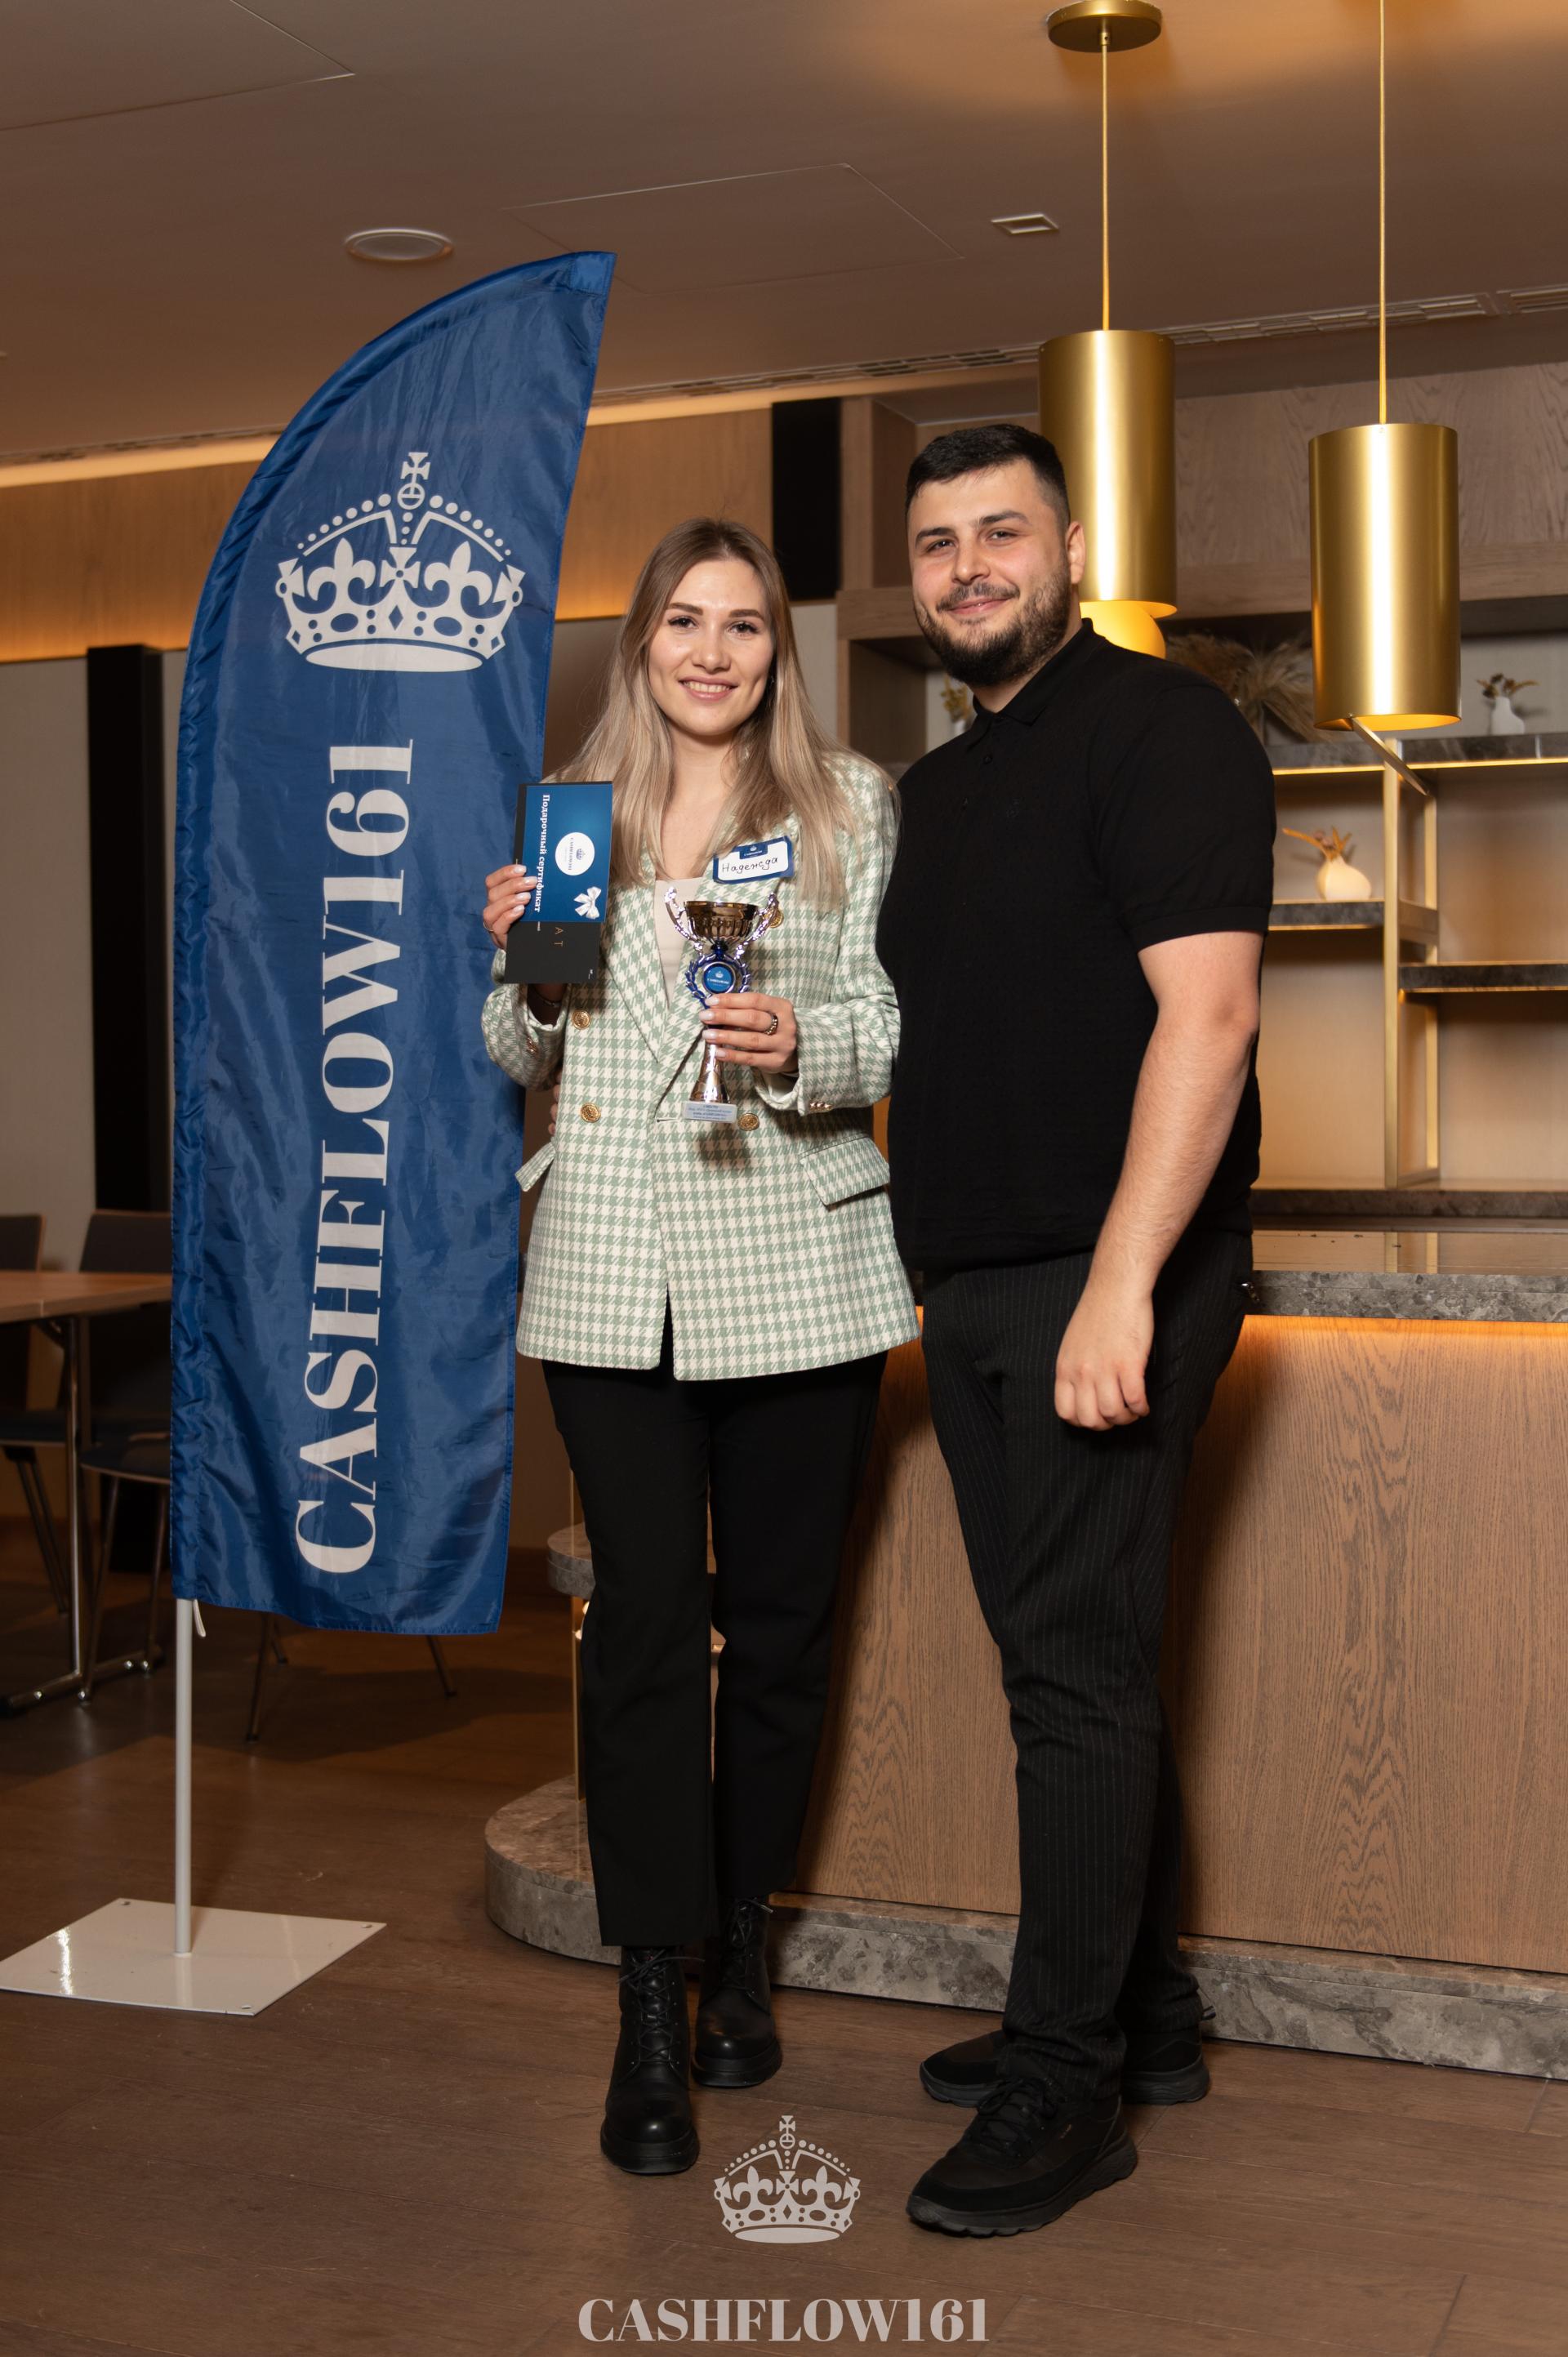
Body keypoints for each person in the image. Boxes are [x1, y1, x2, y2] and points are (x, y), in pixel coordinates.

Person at [479, 517, 915, 2180]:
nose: (713, 651)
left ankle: (743, 1944)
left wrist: (805, 1042)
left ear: (775, 649)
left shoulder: (846, 803)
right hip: (613, 1273)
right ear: (643, 643)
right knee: (645, 1634)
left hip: (798, 1258)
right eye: (685, 621)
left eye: (743, 625)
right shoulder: (571, 817)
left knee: (786, 1634)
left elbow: (886, 1020)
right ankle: (650, 2001)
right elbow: (520, 1046)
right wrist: (526, 959)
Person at [877, 423, 1275, 2238]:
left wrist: (1123, 1283)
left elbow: (1211, 1019)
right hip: (973, 1282)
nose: (969, 565)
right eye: (938, 542)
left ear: (1074, 547)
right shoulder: (940, 788)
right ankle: (1142, 2011)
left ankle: (1068, 2085)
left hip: (1100, 1281)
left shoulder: (1163, 728)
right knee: (1073, 1658)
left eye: (1001, 531)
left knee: (1074, 1680)